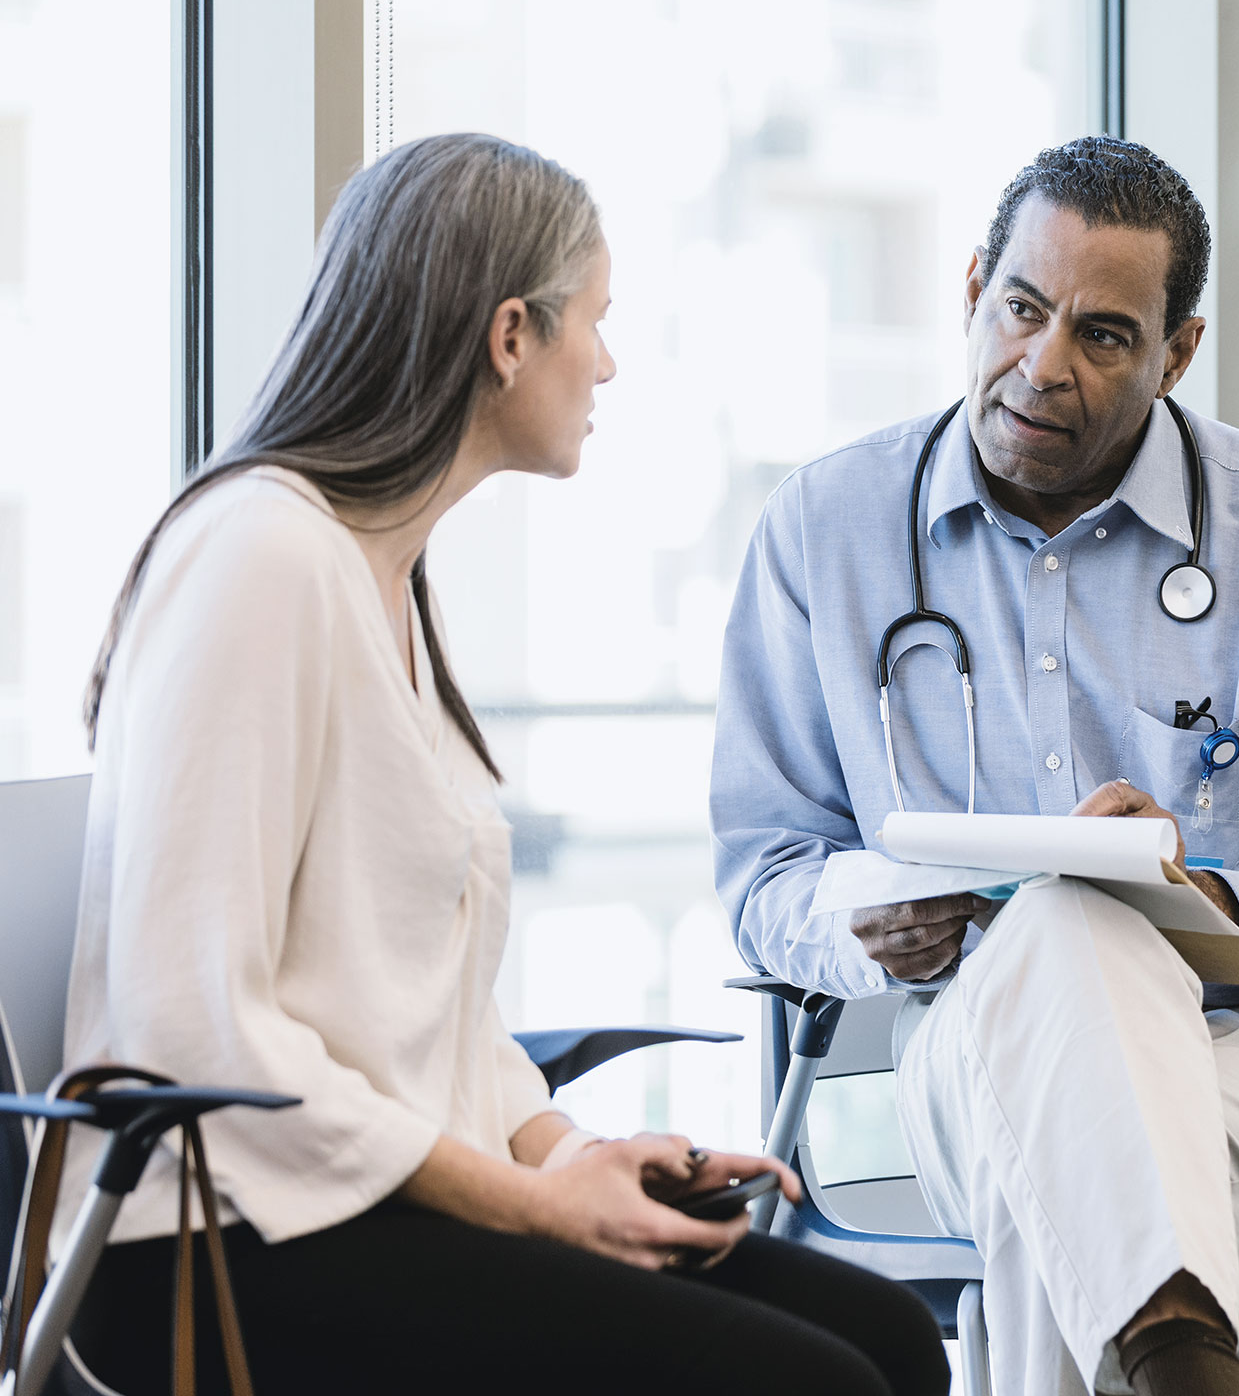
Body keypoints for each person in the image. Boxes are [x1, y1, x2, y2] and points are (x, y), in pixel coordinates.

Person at [61, 134, 950, 1396]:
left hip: (382, 1200)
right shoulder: (262, 556)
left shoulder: (386, 579)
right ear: (510, 336)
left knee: (896, 1342)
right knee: (817, 1383)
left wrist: (572, 1151)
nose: (610, 360)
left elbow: (428, 1018)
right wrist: (538, 1207)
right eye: (596, 318)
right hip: (230, 1239)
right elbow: (198, 1025)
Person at [711, 135, 1239, 1396]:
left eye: (1105, 335)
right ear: (972, 290)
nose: (1043, 365)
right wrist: (867, 919)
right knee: (1066, 945)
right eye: (1020, 309)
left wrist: (1210, 903)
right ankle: (1180, 1356)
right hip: (976, 1051)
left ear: (1176, 353)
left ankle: (1170, 1343)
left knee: (1063, 1164)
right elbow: (764, 872)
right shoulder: (824, 532)